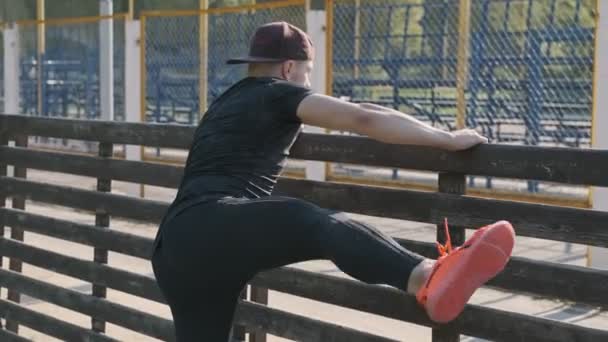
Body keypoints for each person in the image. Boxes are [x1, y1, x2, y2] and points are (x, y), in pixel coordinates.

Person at [151, 21, 515, 342]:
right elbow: (365, 118)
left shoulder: (226, 101)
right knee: (315, 223)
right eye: (307, 75)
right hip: (211, 223)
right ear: (290, 68)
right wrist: (447, 139)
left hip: (173, 247)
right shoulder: (278, 93)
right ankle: (425, 276)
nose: (307, 84)